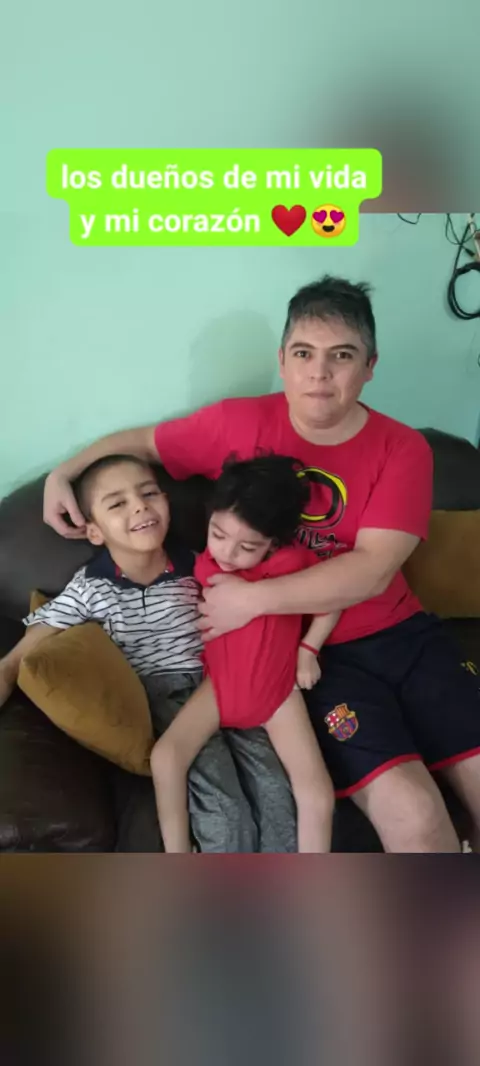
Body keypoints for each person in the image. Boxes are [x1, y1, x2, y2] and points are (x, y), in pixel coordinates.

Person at [43, 275, 480, 852]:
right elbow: (144, 443)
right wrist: (64, 472)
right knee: (415, 813)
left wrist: (251, 599)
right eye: (303, 353)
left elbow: (372, 570)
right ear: (282, 360)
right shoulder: (239, 424)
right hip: (315, 659)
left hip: (405, 635)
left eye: (341, 356)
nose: (319, 373)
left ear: (370, 366)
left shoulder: (403, 448)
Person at [0, 454, 298, 853]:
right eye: (117, 503)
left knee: (277, 791)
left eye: (148, 494)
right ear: (94, 531)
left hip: (225, 685)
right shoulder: (90, 588)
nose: (139, 507)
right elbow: (16, 660)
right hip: (166, 698)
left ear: (167, 504)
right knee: (225, 807)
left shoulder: (202, 564)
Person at [150, 454, 336, 853]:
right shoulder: (204, 564)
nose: (227, 553)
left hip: (278, 694)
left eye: (247, 546)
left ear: (274, 543)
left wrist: (308, 649)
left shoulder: (293, 563)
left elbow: (332, 599)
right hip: (221, 688)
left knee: (317, 794)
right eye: (217, 534)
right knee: (165, 757)